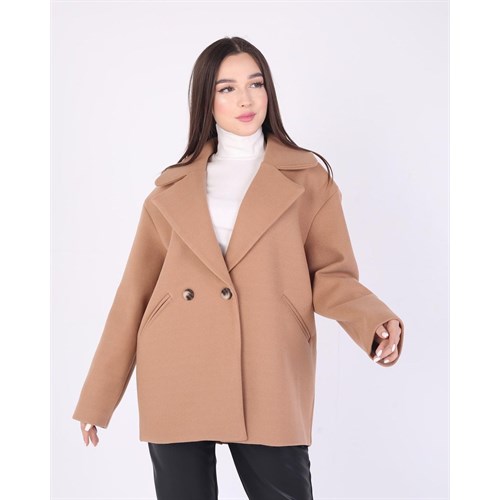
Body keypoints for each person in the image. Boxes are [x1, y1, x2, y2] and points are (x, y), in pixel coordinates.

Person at [72, 36, 404, 500]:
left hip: (269, 360)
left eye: (255, 83)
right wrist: (98, 397)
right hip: (177, 365)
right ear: (206, 100)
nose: (245, 99)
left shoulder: (309, 180)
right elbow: (135, 294)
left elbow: (330, 274)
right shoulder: (169, 191)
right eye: (226, 88)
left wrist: (372, 320)